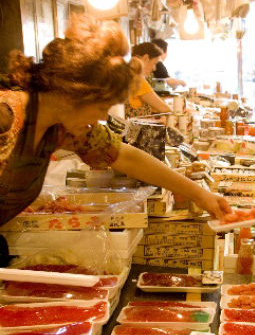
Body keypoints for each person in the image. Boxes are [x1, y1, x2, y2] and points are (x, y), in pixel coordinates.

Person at [0, 14, 230, 226]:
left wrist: (201, 195)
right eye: (101, 106)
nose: (102, 117)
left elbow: (126, 156)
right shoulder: (5, 117)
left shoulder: (63, 127)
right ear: (73, 92)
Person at [125, 42, 172, 118]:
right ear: (146, 58)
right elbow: (166, 109)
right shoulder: (138, 81)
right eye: (154, 63)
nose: (154, 68)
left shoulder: (129, 75)